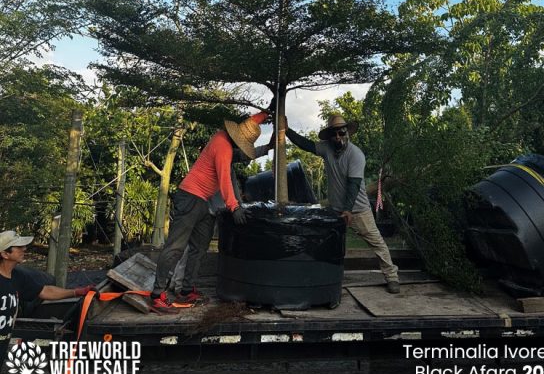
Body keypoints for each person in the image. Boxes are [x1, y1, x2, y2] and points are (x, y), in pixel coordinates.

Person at [150, 111, 269, 312]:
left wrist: (265, 114)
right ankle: (157, 295)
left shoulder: (224, 136)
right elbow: (224, 180)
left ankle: (186, 290)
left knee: (199, 247)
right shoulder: (223, 147)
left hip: (203, 201)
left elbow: (248, 125)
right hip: (189, 197)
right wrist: (235, 206)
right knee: (175, 247)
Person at [285, 114, 401, 294]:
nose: (338, 137)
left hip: (358, 210)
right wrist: (287, 130)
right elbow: (306, 144)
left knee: (377, 242)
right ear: (330, 136)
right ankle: (323, 275)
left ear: (347, 133)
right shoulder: (326, 149)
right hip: (335, 210)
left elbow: (353, 185)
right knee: (328, 243)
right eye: (334, 134)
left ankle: (392, 276)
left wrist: (348, 210)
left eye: (341, 133)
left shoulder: (356, 154)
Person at [0, 230, 94, 369]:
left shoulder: (17, 276)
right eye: (18, 247)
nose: (24, 249)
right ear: (5, 254)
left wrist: (78, 292)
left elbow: (44, 291)